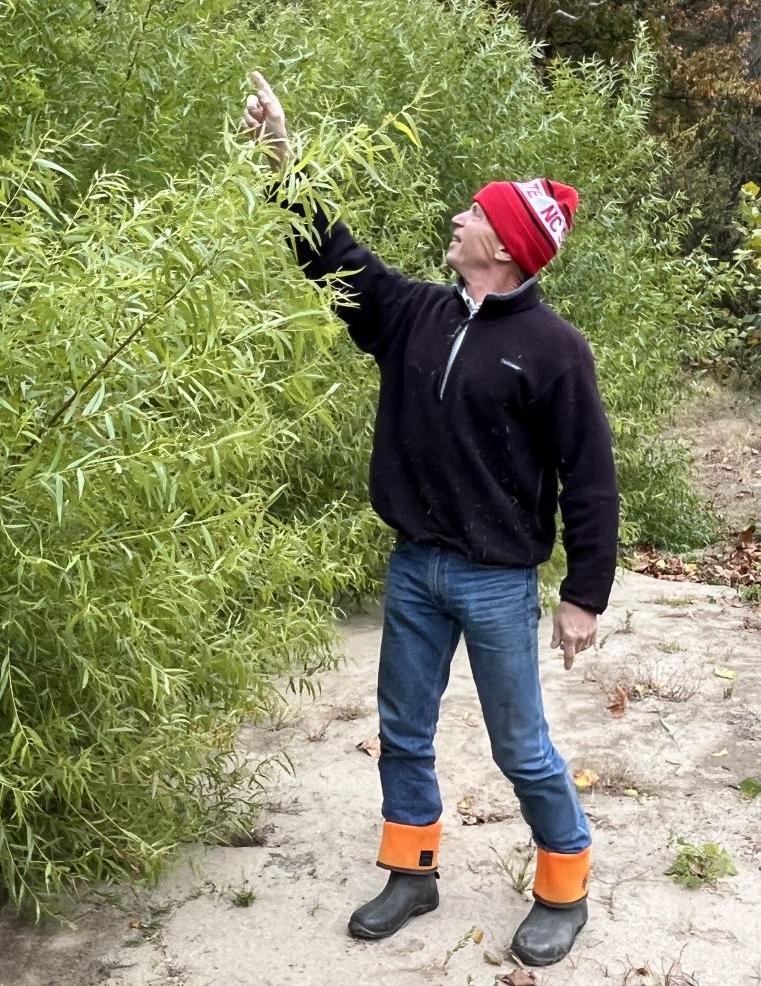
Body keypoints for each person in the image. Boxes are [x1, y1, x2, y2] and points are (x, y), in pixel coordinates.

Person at [241, 72, 619, 967]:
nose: (457, 217)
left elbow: (590, 480)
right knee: (402, 727)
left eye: (474, 214)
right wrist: (279, 157)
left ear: (506, 246)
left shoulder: (556, 351)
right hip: (415, 566)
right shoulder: (413, 312)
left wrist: (583, 596)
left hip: (496, 580)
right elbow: (329, 255)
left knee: (519, 744)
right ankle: (412, 869)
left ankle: (564, 884)